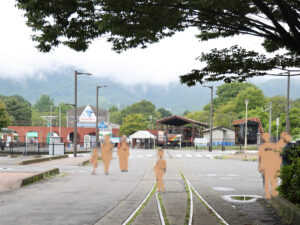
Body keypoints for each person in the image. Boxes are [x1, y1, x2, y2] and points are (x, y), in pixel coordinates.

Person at [258, 132, 291, 198]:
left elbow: (278, 155)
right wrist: (260, 167)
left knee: (273, 180)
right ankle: (267, 194)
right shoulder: (262, 147)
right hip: (266, 165)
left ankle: (274, 193)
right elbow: (260, 157)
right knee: (266, 180)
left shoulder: (275, 146)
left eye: (267, 137)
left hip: (273, 165)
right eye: (265, 137)